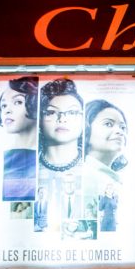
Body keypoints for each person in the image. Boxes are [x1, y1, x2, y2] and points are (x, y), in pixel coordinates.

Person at [37, 79, 85, 239]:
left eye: (72, 112)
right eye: (51, 112)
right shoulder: (28, 169)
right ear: (40, 120)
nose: (62, 119)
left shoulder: (94, 168)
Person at [82, 99, 129, 238]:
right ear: (85, 129)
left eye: (123, 127)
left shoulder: (114, 180)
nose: (119, 132)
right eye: (108, 124)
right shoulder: (84, 176)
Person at [0, 76, 38, 202]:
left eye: (18, 102)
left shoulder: (42, 154)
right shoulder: (6, 159)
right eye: (3, 105)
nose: (7, 111)